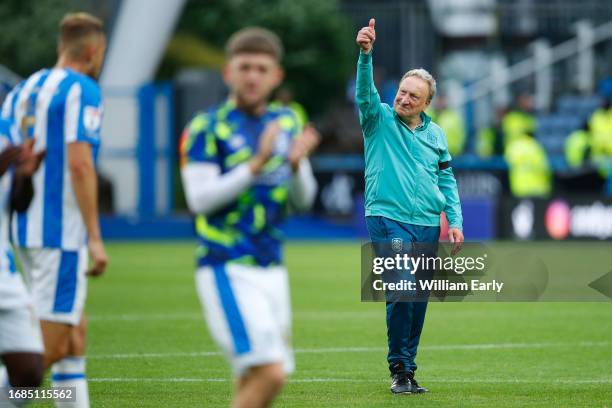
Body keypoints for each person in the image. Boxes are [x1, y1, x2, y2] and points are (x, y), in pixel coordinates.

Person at [180, 27, 319, 408]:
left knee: (256, 378)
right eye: (245, 67)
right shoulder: (205, 127)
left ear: (276, 76)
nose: (253, 76)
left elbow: (303, 201)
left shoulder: (286, 123)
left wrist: (295, 165)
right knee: (269, 372)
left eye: (261, 68)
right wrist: (254, 166)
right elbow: (199, 199)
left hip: (272, 265)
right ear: (229, 73)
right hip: (227, 264)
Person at [1, 12, 108, 407]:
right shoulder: (83, 90)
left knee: (74, 337)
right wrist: (95, 237)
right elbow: (80, 164)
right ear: (94, 50)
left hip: (22, 229)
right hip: (60, 232)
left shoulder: (22, 89)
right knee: (45, 350)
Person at [355, 18, 464, 394]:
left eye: (412, 96)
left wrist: (456, 221)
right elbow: (365, 94)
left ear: (426, 103)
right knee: (403, 288)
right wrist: (366, 55)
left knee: (418, 299)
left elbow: (446, 179)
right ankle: (398, 368)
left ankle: (408, 371)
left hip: (427, 224)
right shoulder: (378, 119)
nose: (403, 99)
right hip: (387, 218)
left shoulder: (436, 134)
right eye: (401, 92)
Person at [0, 118, 46, 407]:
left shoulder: (7, 131)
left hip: (3, 271)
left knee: (29, 375)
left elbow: (18, 204)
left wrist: (25, 177)